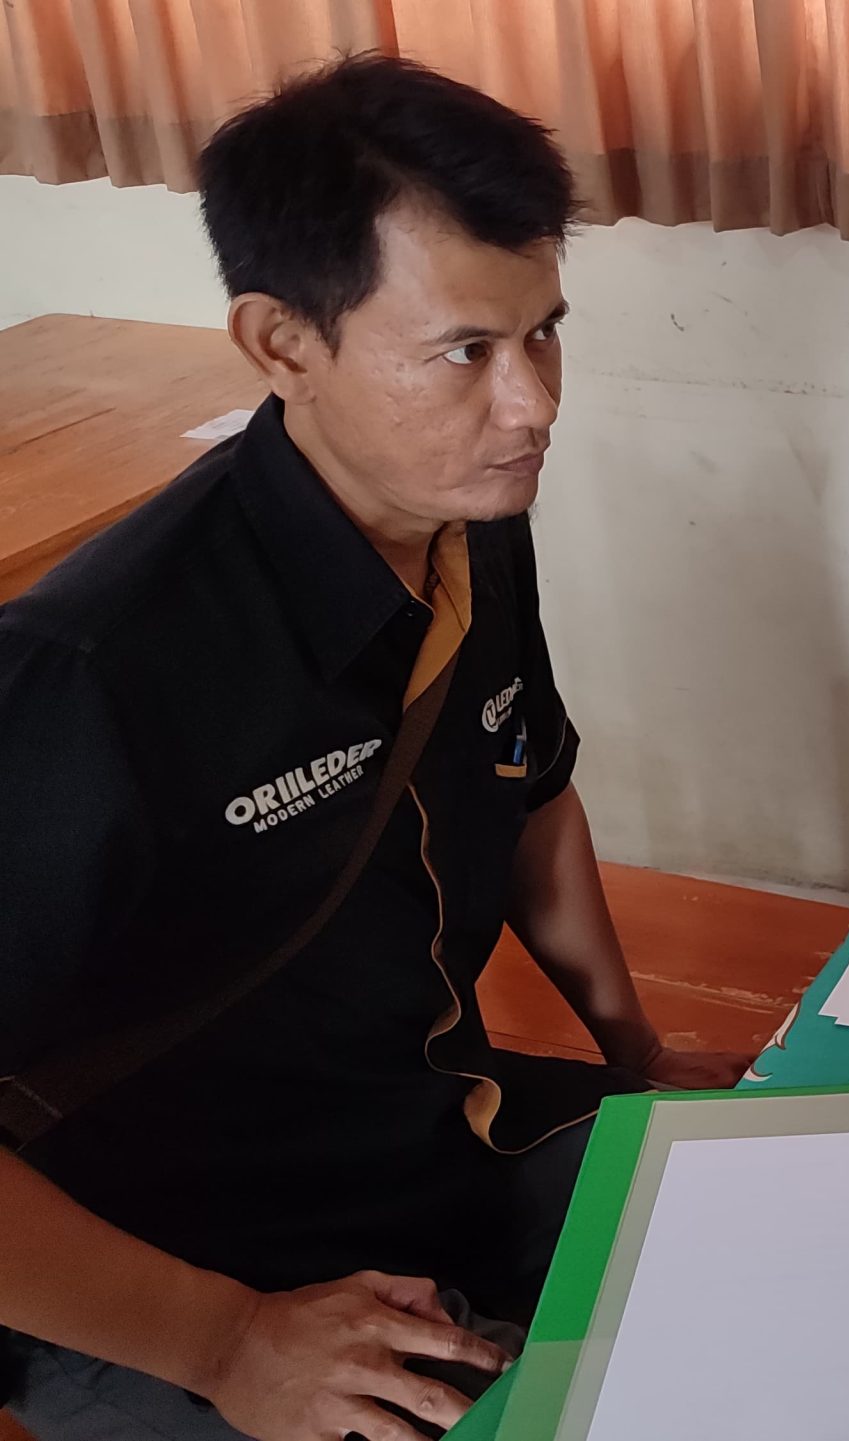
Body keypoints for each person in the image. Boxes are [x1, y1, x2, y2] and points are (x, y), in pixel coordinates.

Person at [0, 57, 752, 1441]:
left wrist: (634, 1051)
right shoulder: (95, 669)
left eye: (544, 334)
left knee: (808, 1229)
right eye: (466, 352)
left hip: (427, 1139)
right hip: (178, 1270)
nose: (534, 404)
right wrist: (225, 1341)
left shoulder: (467, 523)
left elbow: (530, 787)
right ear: (283, 343)